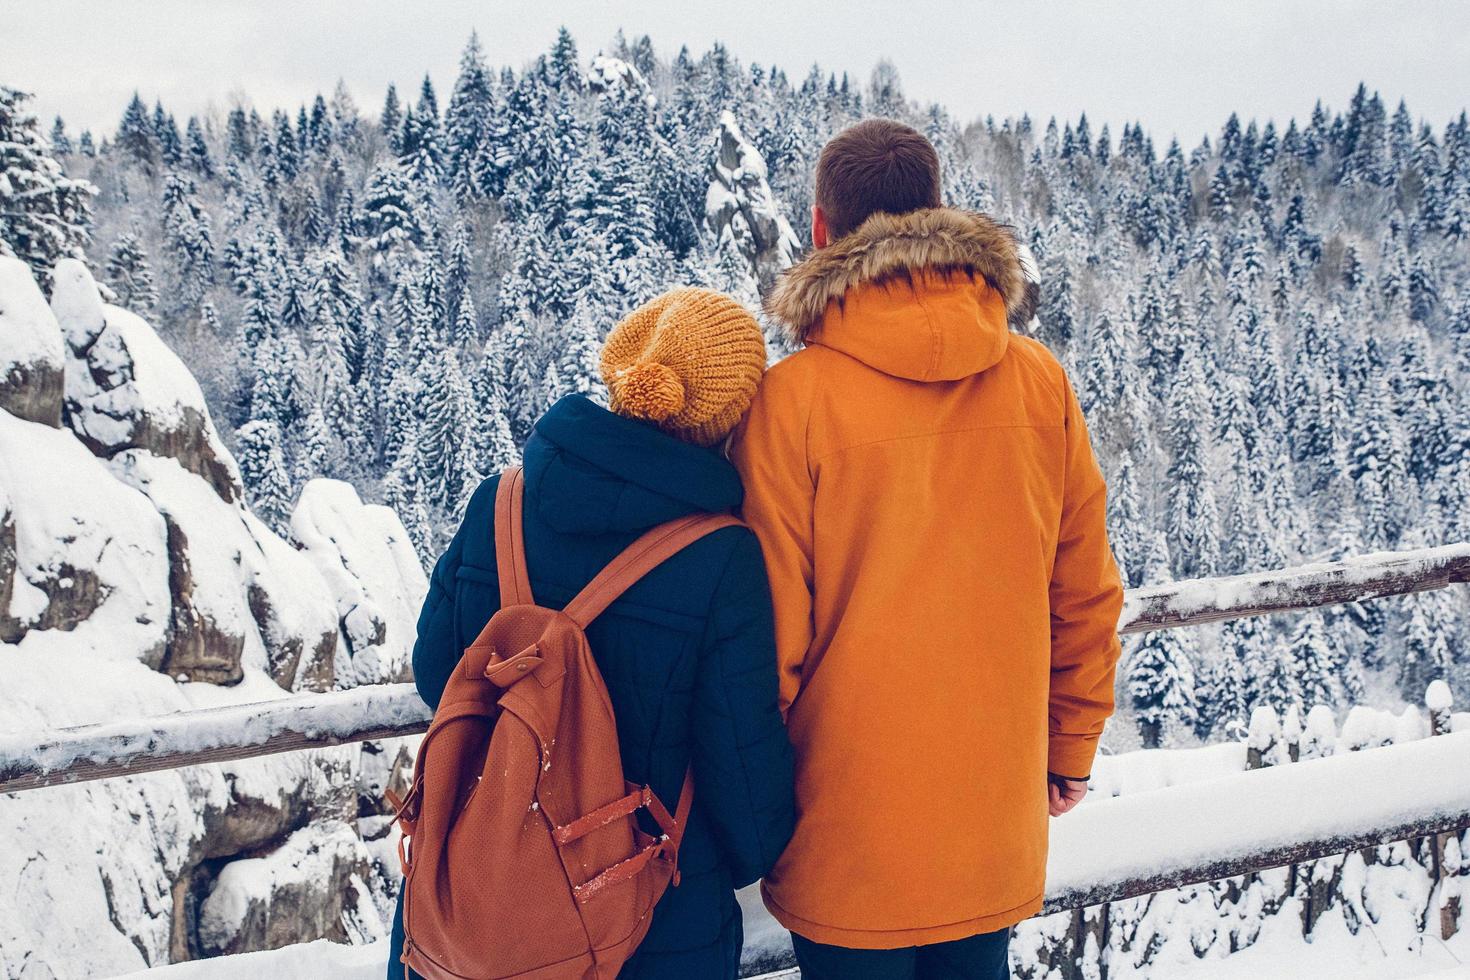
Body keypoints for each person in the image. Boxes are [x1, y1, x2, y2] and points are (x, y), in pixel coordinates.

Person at [730, 119, 1124, 979]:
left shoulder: (790, 404)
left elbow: (770, 646)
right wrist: (1071, 746)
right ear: (938, 217)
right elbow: (1086, 592)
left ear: (823, 230)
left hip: (843, 838)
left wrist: (752, 808)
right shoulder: (1040, 381)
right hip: (990, 826)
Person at [389, 287, 796, 980]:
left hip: (472, 917)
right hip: (646, 928)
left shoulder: (499, 503)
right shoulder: (722, 558)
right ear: (732, 419)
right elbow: (746, 788)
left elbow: (437, 676)